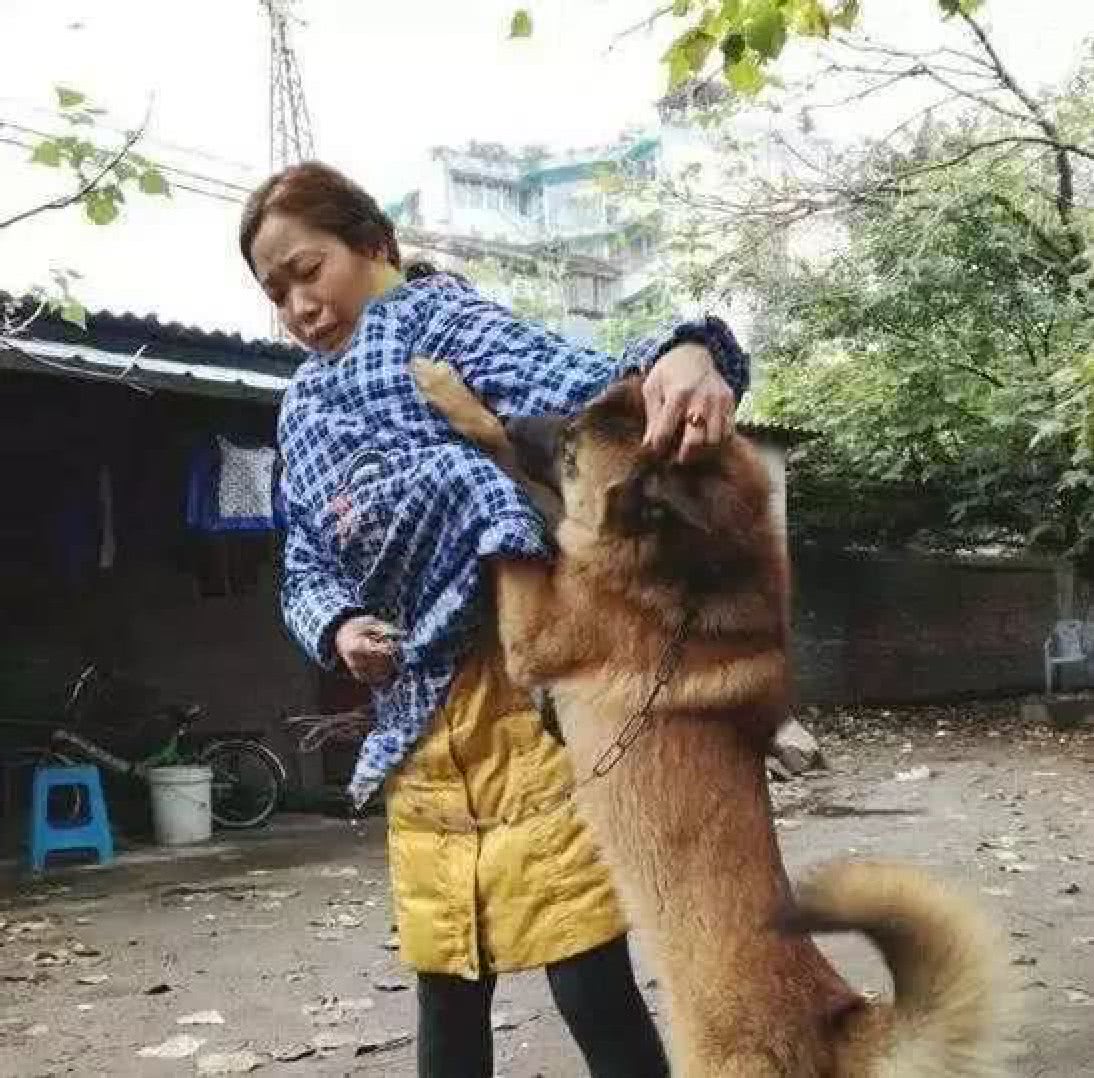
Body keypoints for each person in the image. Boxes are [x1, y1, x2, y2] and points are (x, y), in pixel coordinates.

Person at [239, 161, 750, 1078]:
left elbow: (583, 383)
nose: (298, 305)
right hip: (416, 724)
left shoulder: (441, 323)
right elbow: (305, 562)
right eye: (275, 292)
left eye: (307, 270)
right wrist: (339, 624)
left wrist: (687, 351)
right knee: (446, 982)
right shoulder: (301, 411)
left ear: (372, 245)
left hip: (528, 689)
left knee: (585, 966)